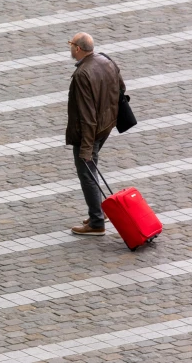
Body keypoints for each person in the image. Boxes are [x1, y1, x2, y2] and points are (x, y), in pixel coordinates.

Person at [66, 33, 126, 236]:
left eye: (71, 44)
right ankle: (98, 211)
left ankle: (96, 221)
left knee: (87, 172)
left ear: (78, 49)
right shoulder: (106, 60)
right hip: (106, 126)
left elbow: (87, 114)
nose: (70, 48)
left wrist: (85, 147)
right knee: (91, 167)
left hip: (90, 132)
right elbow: (121, 88)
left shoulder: (82, 74)